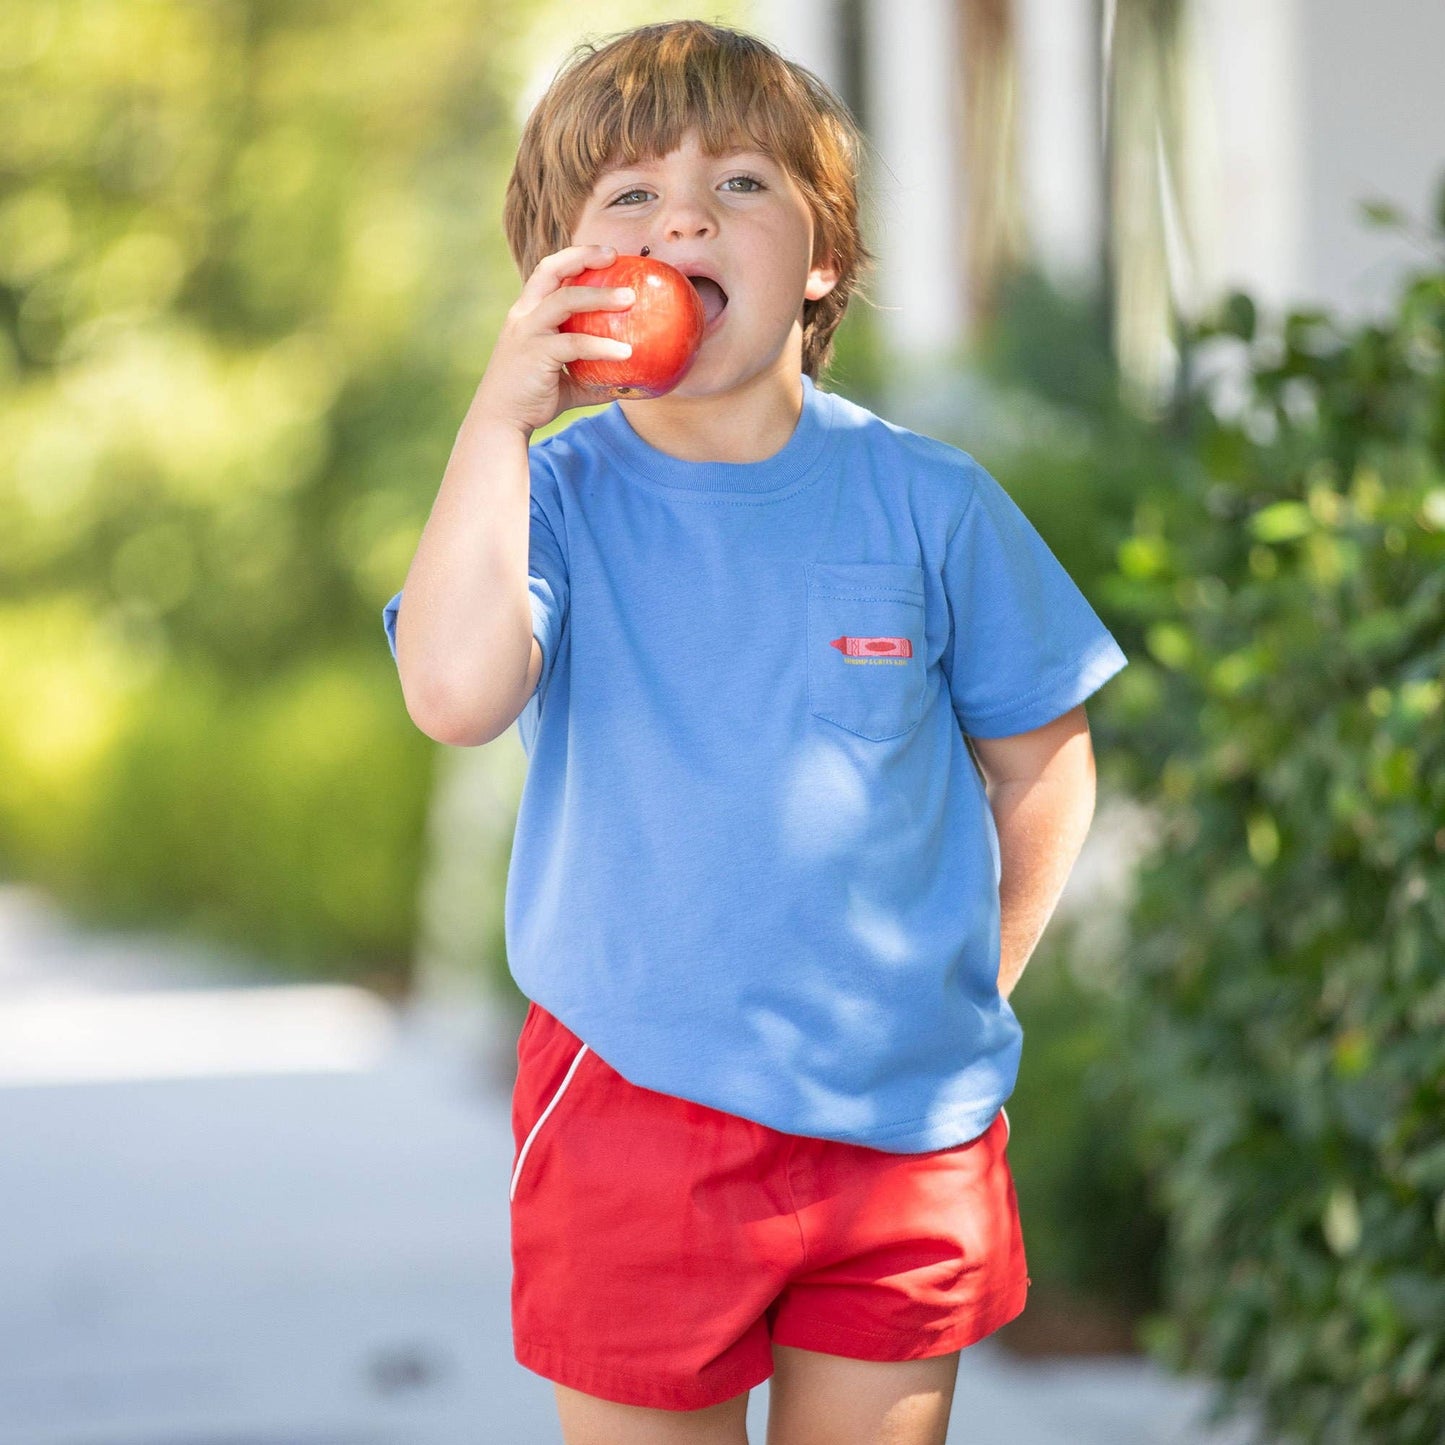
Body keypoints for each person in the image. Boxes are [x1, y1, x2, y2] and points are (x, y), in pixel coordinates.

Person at [383, 19, 1128, 1445]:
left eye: (737, 184)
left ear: (822, 255)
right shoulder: (550, 501)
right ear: (565, 270)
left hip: (901, 1114)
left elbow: (1043, 757)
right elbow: (454, 694)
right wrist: (498, 416)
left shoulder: (929, 500)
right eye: (629, 194)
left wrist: (979, 975)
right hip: (633, 1100)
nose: (681, 215)